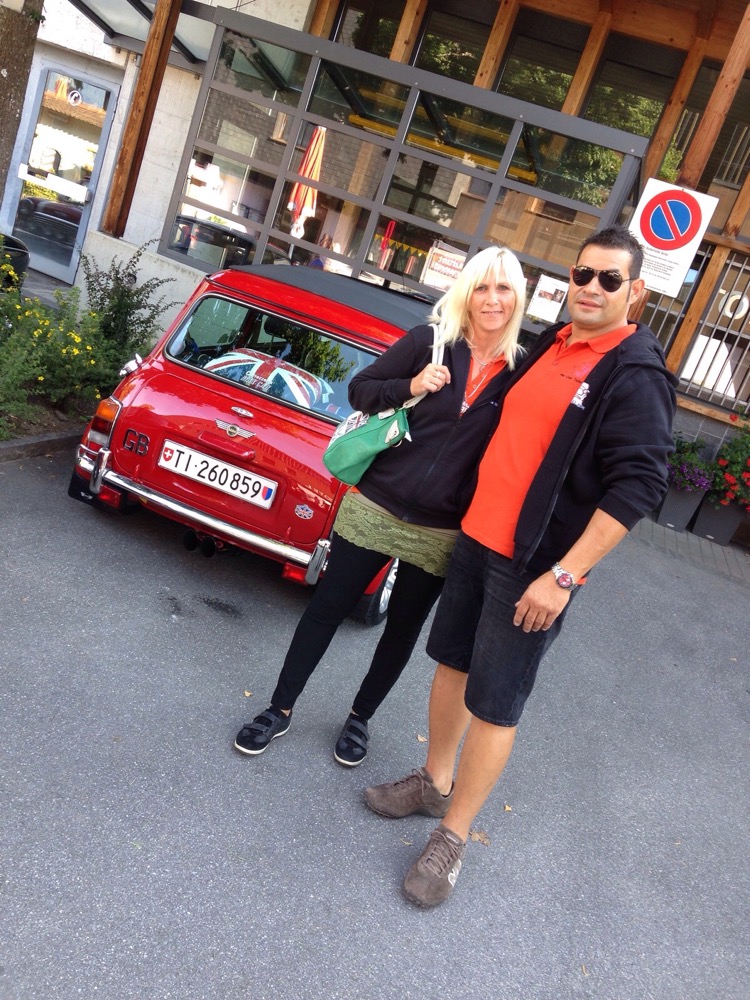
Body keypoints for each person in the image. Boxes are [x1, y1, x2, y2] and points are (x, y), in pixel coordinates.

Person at [363, 225, 677, 908]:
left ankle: (452, 836)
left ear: (636, 293)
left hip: (535, 566)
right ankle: (434, 781)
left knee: (496, 702)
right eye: (583, 274)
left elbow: (639, 485)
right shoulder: (553, 343)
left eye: (610, 279)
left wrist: (565, 577)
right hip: (477, 540)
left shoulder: (634, 373)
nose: (591, 288)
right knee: (451, 664)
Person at [234, 246, 527, 766]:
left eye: (503, 288)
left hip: (443, 527)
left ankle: (359, 718)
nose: (492, 299)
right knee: (327, 609)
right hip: (377, 504)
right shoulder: (429, 343)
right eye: (481, 286)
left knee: (401, 630)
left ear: (517, 298)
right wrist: (410, 385)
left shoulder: (519, 372)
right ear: (466, 292)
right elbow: (360, 390)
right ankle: (279, 708)